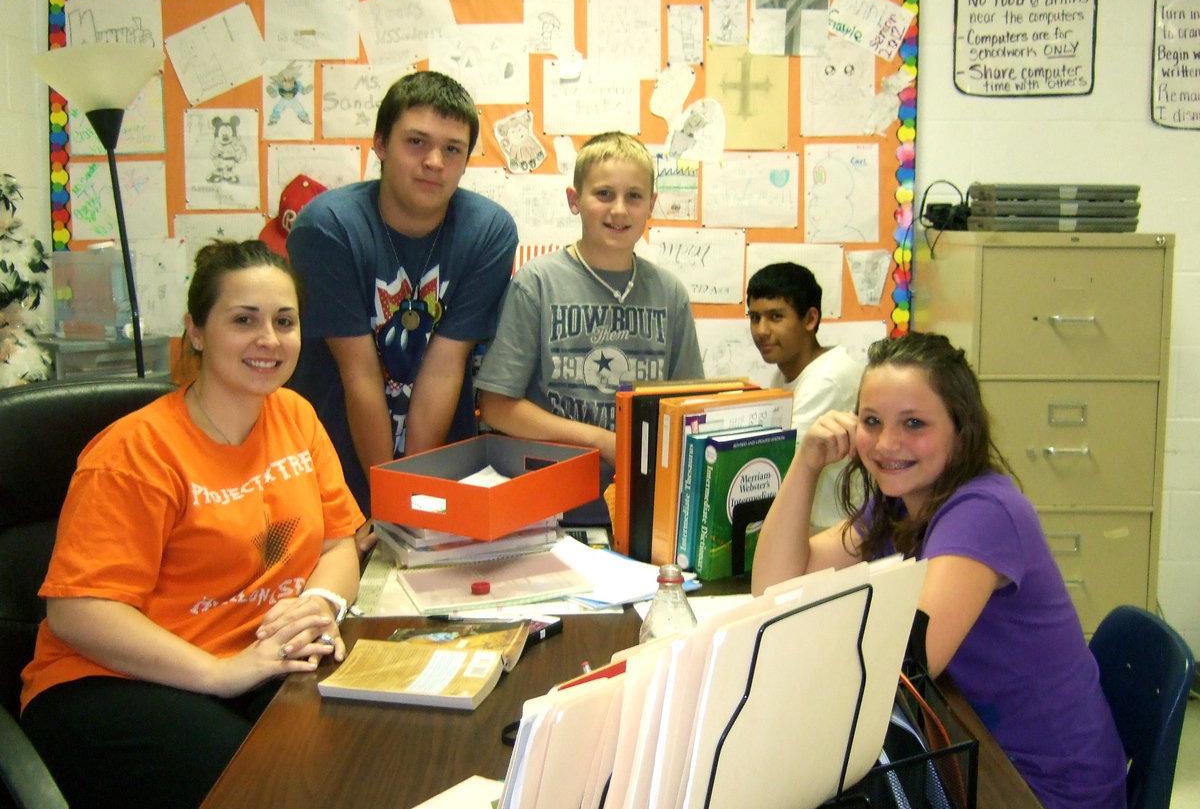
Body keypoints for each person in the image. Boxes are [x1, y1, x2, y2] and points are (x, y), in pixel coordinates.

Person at [20, 240, 365, 809]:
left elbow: (340, 543)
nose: (270, 339)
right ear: (197, 332)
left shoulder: (297, 417)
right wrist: (221, 673)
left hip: (254, 660)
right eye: (243, 320)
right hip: (112, 682)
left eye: (285, 321)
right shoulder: (135, 452)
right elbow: (76, 612)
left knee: (371, 751)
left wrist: (319, 603)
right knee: (271, 800)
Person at [751, 332, 1126, 809]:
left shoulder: (984, 511)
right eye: (871, 421)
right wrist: (806, 463)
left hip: (1036, 797)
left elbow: (910, 661)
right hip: (966, 750)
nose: (887, 444)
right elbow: (776, 586)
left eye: (914, 423)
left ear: (961, 430)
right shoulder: (901, 503)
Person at [287, 71, 518, 517]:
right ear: (380, 145)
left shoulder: (487, 231)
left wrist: (409, 499)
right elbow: (358, 373)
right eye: (416, 142)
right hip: (330, 465)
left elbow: (446, 366)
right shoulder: (327, 227)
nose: (435, 161)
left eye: (452, 149)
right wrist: (387, 503)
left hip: (437, 467)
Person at [475, 131, 703, 519]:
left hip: (644, 501)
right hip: (548, 498)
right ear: (574, 200)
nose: (619, 210)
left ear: (651, 204)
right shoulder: (537, 284)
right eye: (603, 194)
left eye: (633, 196)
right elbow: (496, 407)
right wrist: (603, 441)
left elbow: (691, 410)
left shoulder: (670, 294)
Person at [746, 262, 862, 530]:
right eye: (755, 317)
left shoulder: (827, 378)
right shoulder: (787, 374)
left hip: (833, 534)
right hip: (806, 529)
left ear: (810, 319)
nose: (761, 330)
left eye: (775, 317)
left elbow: (779, 464)